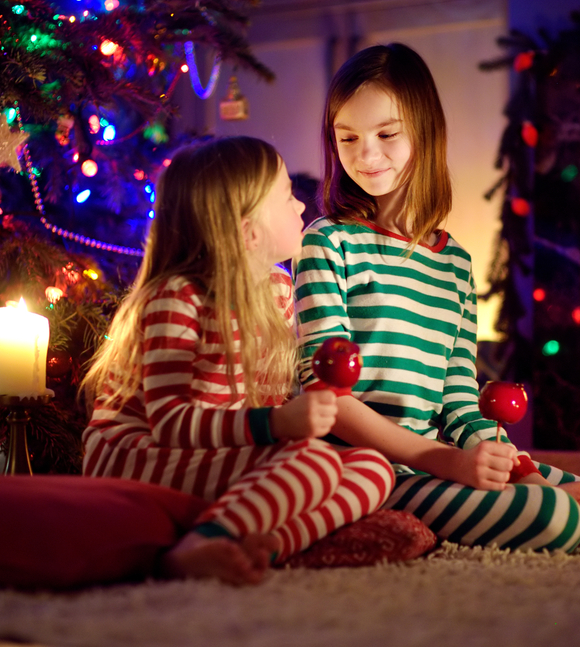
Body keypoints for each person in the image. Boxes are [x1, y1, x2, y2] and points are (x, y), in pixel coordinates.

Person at [294, 43, 580, 553]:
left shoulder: (454, 263)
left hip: (438, 459)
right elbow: (328, 400)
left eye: (386, 134)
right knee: (556, 521)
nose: (365, 154)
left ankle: (528, 502)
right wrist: (448, 464)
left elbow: (460, 403)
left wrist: (524, 476)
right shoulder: (326, 242)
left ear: (425, 130)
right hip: (360, 465)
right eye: (347, 137)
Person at [80, 136, 395, 584]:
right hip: (137, 453)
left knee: (373, 466)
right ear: (248, 232)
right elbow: (170, 423)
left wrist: (308, 406)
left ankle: (269, 546)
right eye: (288, 196)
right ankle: (198, 546)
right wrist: (278, 424)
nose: (302, 207)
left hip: (218, 448)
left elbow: (263, 401)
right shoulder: (176, 298)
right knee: (315, 463)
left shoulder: (279, 291)